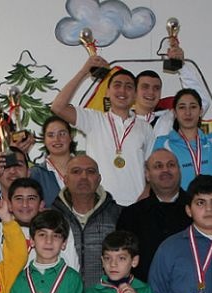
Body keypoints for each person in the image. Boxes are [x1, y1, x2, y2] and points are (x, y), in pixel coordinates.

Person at [51, 59, 154, 206]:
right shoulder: (93, 119)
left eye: (129, 87)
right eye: (117, 85)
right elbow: (58, 107)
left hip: (136, 206)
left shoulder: (145, 128)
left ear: (135, 94)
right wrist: (84, 72)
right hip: (100, 205)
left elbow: (151, 168)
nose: (122, 91)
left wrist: (146, 194)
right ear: (107, 92)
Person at [116, 149, 192, 282]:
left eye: (171, 165)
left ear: (179, 171)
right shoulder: (131, 215)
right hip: (143, 291)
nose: (165, 170)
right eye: (158, 166)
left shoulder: (197, 210)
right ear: (147, 175)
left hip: (192, 288)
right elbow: (121, 259)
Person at [52, 155, 121, 287]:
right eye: (76, 171)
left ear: (99, 179)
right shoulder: (51, 217)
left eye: (90, 171)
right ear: (65, 179)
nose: (84, 176)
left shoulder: (119, 215)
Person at [132, 49, 212, 138]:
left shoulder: (170, 118)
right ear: (134, 91)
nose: (151, 92)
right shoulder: (123, 120)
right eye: (145, 87)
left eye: (156, 88)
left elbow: (201, 101)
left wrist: (181, 67)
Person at [8, 177, 80, 271]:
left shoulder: (58, 229)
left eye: (31, 198)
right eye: (19, 199)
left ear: (41, 205)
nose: (25, 204)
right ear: (9, 205)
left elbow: (72, 267)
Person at [29, 115, 76, 207]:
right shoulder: (35, 174)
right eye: (51, 135)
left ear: (71, 137)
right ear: (44, 140)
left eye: (62, 134)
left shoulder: (85, 168)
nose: (56, 139)